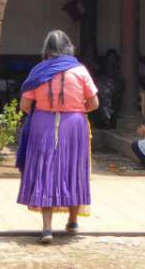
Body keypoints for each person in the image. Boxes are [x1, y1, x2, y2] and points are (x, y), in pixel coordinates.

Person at [16, 30, 98, 244]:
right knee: (73, 170)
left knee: (46, 171)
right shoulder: (80, 70)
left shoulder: (38, 71)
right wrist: (75, 111)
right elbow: (94, 103)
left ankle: (46, 229)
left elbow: (25, 105)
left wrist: (43, 112)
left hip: (43, 124)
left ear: (46, 49)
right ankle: (72, 222)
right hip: (74, 125)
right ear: (69, 47)